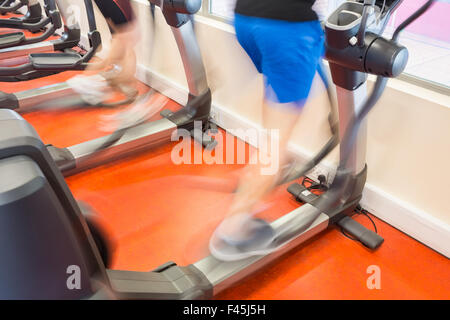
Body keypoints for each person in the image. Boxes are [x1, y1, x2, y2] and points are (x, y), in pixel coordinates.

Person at [209, 0, 325, 261]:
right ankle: (233, 228)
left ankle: (267, 166)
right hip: (287, 28)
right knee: (276, 144)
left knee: (275, 111)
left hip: (245, 19)